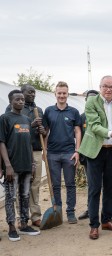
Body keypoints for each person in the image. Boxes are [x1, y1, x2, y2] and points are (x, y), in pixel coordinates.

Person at [78, 75, 112, 240]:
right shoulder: (92, 102)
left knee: (110, 187)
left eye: (111, 87)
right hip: (95, 150)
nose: (108, 89)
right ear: (100, 87)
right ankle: (94, 225)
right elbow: (93, 125)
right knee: (94, 189)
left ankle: (106, 220)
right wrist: (109, 133)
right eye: (105, 86)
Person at [0, 90, 41, 242]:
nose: (21, 101)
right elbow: (1, 142)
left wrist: (32, 163)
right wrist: (7, 165)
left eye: (22, 99)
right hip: (12, 166)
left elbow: (29, 144)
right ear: (10, 101)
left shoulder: (25, 119)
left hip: (26, 165)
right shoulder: (4, 118)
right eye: (17, 99)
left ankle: (23, 224)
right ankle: (11, 227)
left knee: (24, 195)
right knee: (11, 197)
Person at [5, 84, 46, 227]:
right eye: (29, 92)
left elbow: (44, 132)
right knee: (17, 187)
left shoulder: (38, 110)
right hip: (17, 154)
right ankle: (19, 218)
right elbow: (10, 132)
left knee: (34, 184)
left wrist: (42, 130)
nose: (32, 95)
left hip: (34, 150)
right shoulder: (11, 111)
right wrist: (31, 124)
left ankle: (35, 215)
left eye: (34, 93)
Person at [43, 81, 82, 224]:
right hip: (52, 153)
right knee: (56, 184)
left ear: (67, 94)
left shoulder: (73, 112)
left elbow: (78, 132)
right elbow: (45, 132)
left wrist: (77, 151)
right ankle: (57, 210)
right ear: (55, 94)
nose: (62, 96)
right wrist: (45, 150)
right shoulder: (48, 111)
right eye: (59, 93)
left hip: (69, 153)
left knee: (71, 184)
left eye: (64, 93)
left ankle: (70, 212)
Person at [78, 90, 99, 220]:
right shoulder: (82, 117)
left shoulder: (103, 116)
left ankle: (109, 211)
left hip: (102, 156)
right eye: (89, 99)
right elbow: (78, 135)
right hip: (88, 156)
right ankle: (90, 210)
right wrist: (80, 153)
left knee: (106, 184)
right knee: (91, 185)